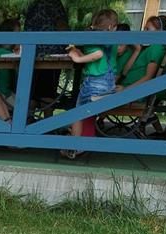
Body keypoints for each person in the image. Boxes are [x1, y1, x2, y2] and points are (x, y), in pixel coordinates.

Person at [61, 9, 119, 159]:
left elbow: (98, 54)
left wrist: (77, 58)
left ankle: (74, 147)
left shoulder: (93, 37)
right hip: (109, 84)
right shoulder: (113, 40)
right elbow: (96, 56)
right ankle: (81, 144)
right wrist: (78, 51)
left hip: (94, 83)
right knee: (86, 113)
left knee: (77, 113)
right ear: (112, 27)